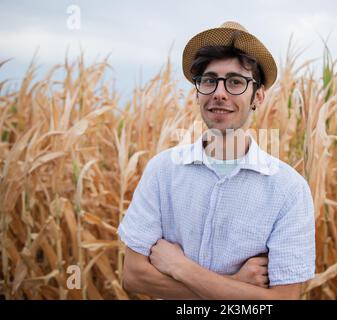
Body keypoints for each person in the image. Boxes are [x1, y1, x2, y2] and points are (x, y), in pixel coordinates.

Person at [117, 21, 315, 300]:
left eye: (235, 81)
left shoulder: (289, 189)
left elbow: (284, 298)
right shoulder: (162, 171)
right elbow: (133, 276)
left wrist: (181, 268)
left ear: (257, 96)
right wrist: (234, 283)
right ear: (198, 92)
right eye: (210, 81)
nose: (219, 93)